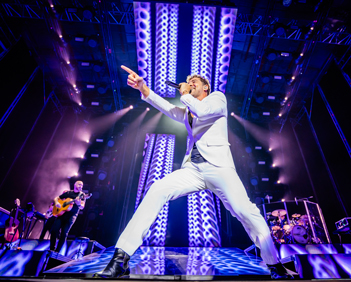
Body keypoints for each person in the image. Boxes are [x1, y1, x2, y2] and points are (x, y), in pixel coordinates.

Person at [94, 66, 292, 279]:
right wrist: (144, 88)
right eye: (189, 82)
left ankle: (274, 264)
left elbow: (204, 112)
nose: (191, 83)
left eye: (195, 81)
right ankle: (121, 257)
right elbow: (168, 108)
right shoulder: (189, 110)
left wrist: (185, 94)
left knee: (246, 212)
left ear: (205, 87)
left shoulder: (217, 98)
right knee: (157, 189)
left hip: (220, 168)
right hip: (193, 169)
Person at [49, 181, 86, 253]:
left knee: (64, 233)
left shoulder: (82, 195)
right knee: (54, 230)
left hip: (72, 215)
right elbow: (56, 198)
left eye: (82, 185)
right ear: (75, 184)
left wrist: (78, 204)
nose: (81, 186)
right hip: (62, 214)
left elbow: (82, 207)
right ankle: (51, 249)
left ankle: (57, 251)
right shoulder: (68, 193)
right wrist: (57, 203)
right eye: (79, 184)